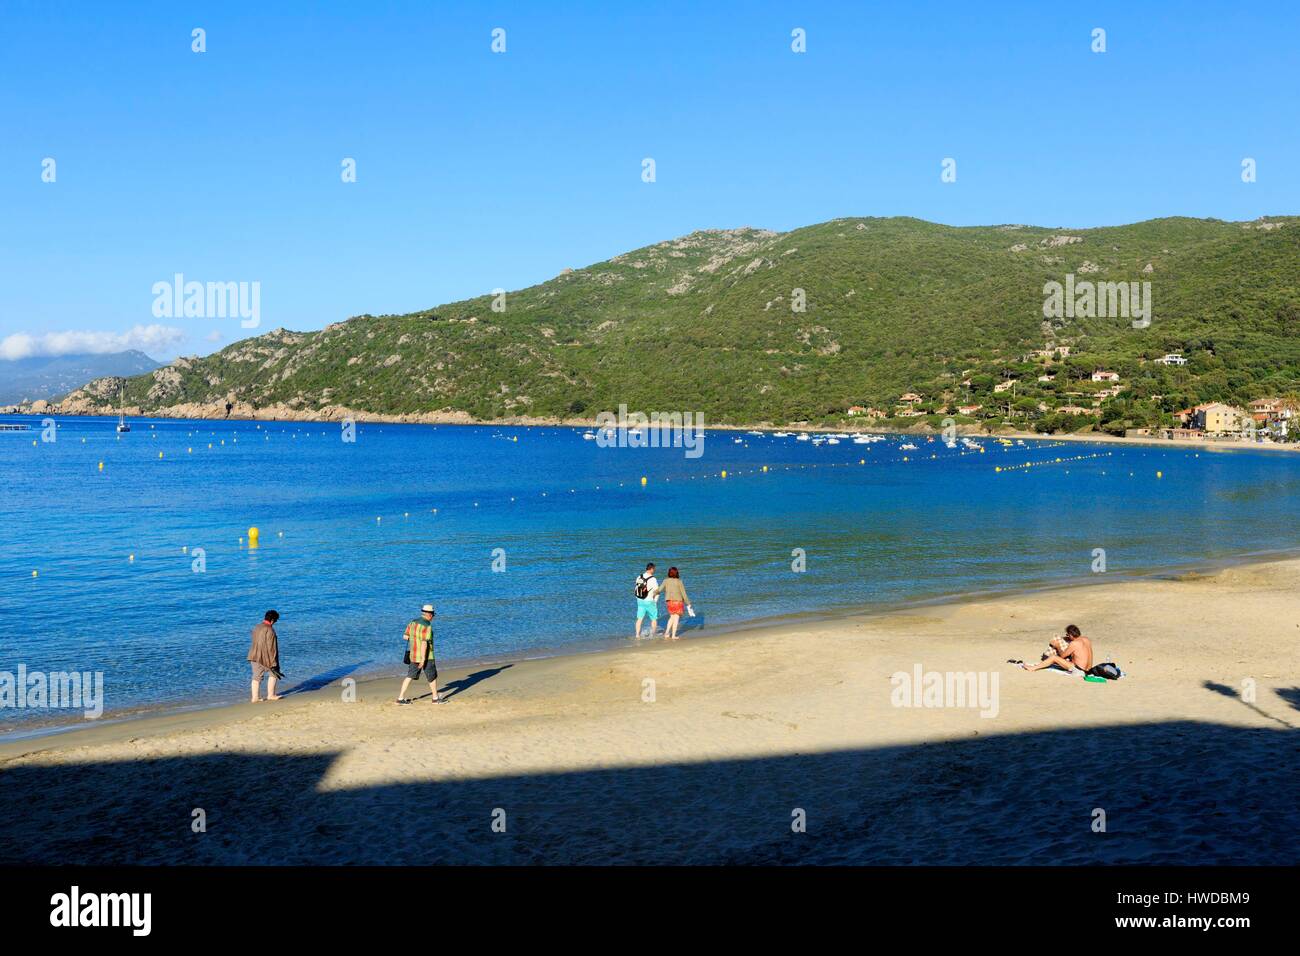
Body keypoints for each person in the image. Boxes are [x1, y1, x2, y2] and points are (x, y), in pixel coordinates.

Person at [397, 603, 441, 704]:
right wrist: (423, 659)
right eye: (433, 615)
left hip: (413, 654)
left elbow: (405, 636)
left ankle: (400, 698)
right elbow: (424, 643)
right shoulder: (427, 626)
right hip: (427, 656)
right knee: (432, 676)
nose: (433, 617)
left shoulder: (413, 622)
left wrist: (415, 639)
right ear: (429, 614)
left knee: (409, 676)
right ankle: (435, 698)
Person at [1021, 624, 1093, 673]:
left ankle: (1033, 668)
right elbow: (1090, 654)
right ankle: (1035, 667)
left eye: (1068, 635)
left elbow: (1062, 656)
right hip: (1088, 669)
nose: (1067, 636)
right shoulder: (1086, 639)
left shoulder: (1073, 644)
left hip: (1079, 669)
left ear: (1071, 635)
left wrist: (1057, 646)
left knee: (1053, 657)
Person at [247, 610, 282, 702]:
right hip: (265, 656)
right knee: (274, 673)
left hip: (253, 655)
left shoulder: (256, 627)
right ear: (272, 620)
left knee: (256, 676)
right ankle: (271, 695)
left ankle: (255, 698)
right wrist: (274, 662)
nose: (275, 622)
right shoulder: (270, 630)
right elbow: (272, 647)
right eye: (276, 620)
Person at [660, 567, 693, 640]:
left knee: (671, 617)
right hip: (678, 602)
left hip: (669, 602)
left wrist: (653, 593)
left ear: (669, 573)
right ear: (676, 573)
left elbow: (660, 589)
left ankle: (666, 633)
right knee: (676, 618)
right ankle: (674, 635)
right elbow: (683, 593)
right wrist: (688, 603)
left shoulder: (666, 580)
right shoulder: (679, 581)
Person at [633, 562, 660, 639]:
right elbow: (657, 591)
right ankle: (653, 635)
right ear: (651, 569)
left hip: (640, 600)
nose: (654, 570)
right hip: (649, 601)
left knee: (639, 618)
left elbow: (636, 588)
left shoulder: (639, 576)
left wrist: (637, 598)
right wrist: (655, 601)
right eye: (654, 569)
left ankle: (637, 635)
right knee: (654, 619)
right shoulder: (653, 579)